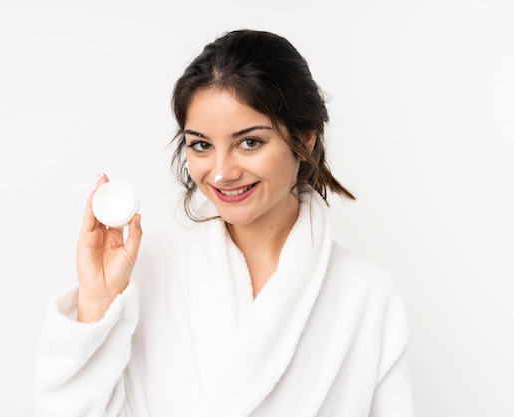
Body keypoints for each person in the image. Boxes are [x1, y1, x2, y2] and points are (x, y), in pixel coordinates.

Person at [34, 29, 415, 417]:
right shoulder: (146, 271)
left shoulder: (365, 294)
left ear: (305, 138)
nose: (221, 173)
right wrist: (97, 302)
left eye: (249, 142)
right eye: (201, 145)